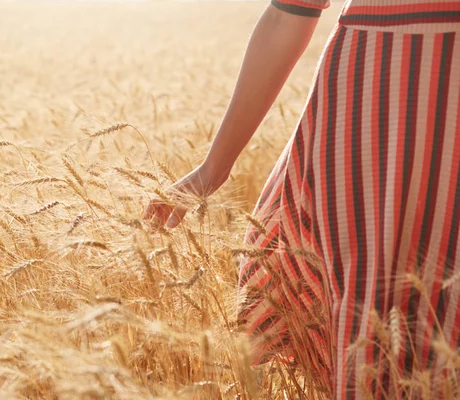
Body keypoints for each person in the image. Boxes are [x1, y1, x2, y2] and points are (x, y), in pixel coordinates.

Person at [143, 0, 460, 398]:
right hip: (369, 101)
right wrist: (214, 167)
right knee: (371, 298)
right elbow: (288, 13)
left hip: (382, 86)